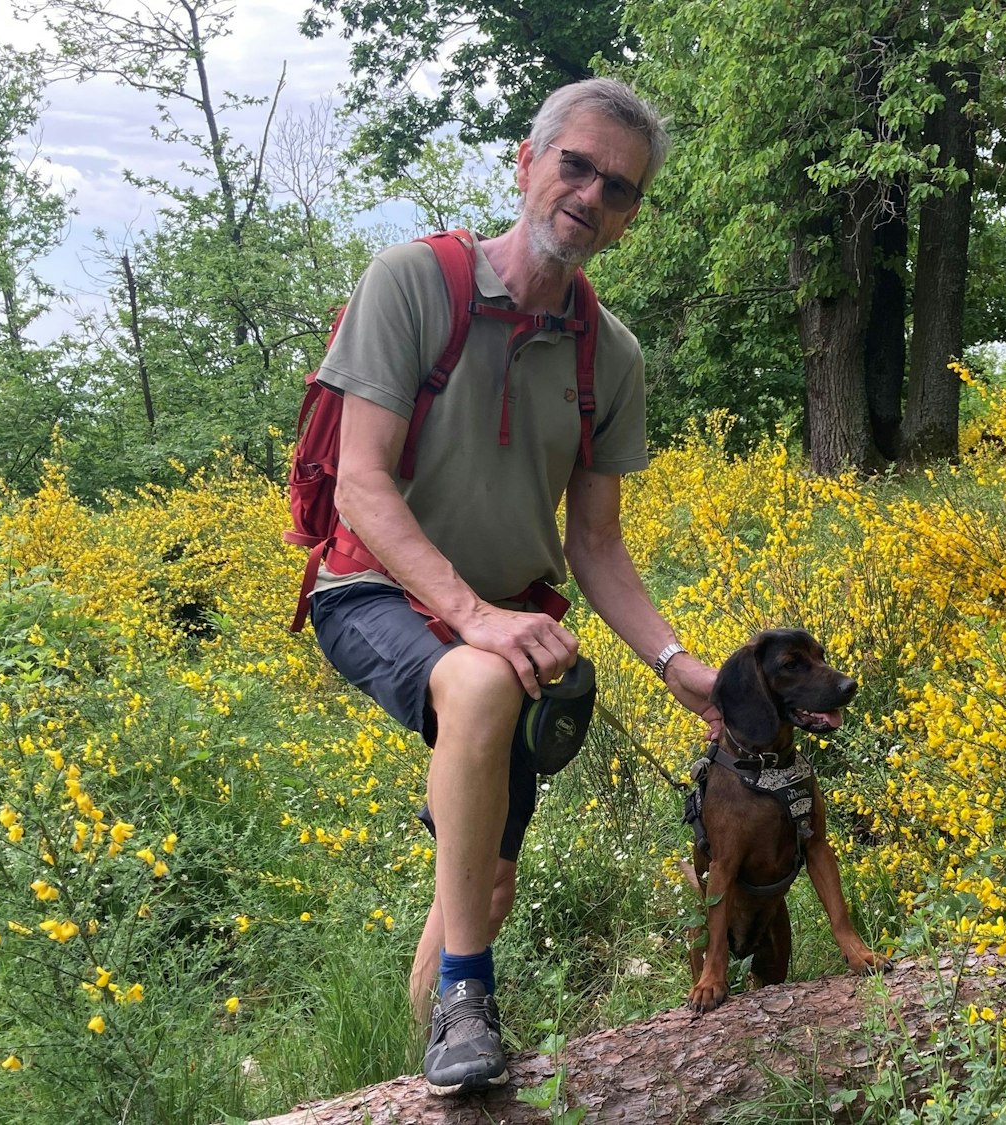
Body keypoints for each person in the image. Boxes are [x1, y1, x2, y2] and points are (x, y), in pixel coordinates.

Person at [305, 78, 720, 1096]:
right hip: (372, 594)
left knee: (483, 878)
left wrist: (674, 665)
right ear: (524, 162)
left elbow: (595, 549)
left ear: (627, 222)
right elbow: (359, 482)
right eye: (575, 165)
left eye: (617, 189)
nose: (590, 194)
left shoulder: (606, 355)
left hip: (503, 621)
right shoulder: (412, 283)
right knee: (480, 684)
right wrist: (475, 618)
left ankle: (416, 1081)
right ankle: (466, 1000)